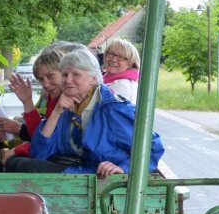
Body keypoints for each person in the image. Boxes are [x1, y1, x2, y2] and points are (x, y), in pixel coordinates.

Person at [10, 47, 164, 177]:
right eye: (65, 74)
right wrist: (56, 113)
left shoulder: (112, 109)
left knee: (25, 167)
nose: (68, 80)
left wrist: (123, 168)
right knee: (16, 163)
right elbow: (39, 152)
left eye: (76, 74)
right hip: (80, 171)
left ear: (93, 79)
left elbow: (152, 146)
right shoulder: (68, 107)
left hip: (103, 180)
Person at [0, 49, 64, 169]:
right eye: (41, 79)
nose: (46, 84)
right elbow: (39, 135)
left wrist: (19, 149)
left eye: (50, 76)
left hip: (66, 160)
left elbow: (52, 144)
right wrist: (27, 102)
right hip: (53, 154)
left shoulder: (67, 99)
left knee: (18, 164)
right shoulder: (53, 98)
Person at [103, 38, 140, 104]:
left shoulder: (123, 87)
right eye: (111, 54)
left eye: (121, 57)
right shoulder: (106, 80)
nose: (113, 59)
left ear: (131, 63)